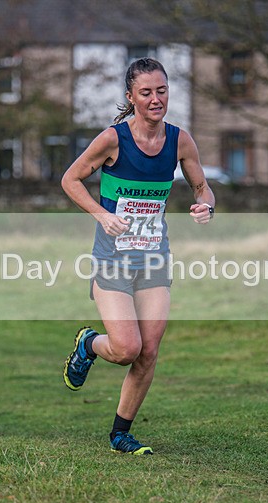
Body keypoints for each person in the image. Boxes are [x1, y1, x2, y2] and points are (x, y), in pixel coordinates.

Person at [61, 58, 215, 455]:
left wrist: (205, 206)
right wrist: (101, 214)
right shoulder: (113, 139)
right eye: (145, 92)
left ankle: (120, 434)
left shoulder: (181, 140)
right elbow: (70, 179)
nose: (155, 99)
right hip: (112, 259)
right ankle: (89, 344)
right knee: (126, 348)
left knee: (149, 348)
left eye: (161, 90)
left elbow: (202, 187)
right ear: (131, 97)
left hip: (153, 260)